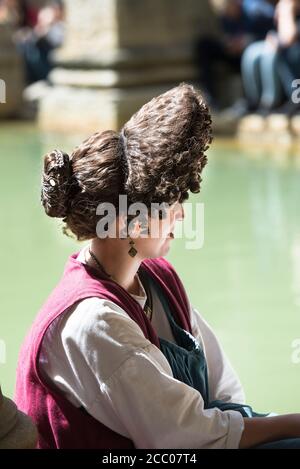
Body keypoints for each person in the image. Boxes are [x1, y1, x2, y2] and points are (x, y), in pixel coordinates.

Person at [15, 83, 300, 449]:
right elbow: (186, 437)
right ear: (130, 223)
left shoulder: (158, 278)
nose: (182, 214)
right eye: (171, 202)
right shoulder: (92, 321)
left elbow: (224, 389)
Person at [196, 0, 276, 109]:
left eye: (227, 10)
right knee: (204, 45)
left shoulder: (257, 10)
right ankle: (209, 98)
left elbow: (275, 34)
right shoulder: (226, 16)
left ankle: (256, 101)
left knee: (250, 52)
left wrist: (247, 41)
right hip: (237, 56)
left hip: (259, 55)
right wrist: (229, 43)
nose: (226, 15)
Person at [241, 0, 300, 115]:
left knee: (278, 54)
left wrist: (286, 11)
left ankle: (274, 102)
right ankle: (255, 101)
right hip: (280, 40)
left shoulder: (287, 7)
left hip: (290, 46)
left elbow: (289, 37)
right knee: (251, 52)